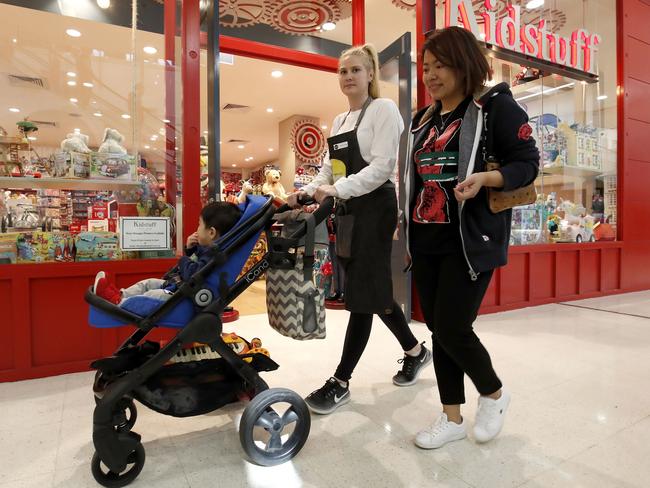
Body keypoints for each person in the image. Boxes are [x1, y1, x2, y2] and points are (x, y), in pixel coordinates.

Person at [403, 26, 539, 449]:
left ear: (464, 64)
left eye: (440, 65)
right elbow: (414, 176)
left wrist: (487, 178)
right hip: (425, 239)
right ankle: (452, 417)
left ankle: (495, 394)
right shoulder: (422, 120)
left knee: (452, 325)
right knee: (439, 331)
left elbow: (528, 164)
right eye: (425, 67)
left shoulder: (494, 108)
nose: (430, 75)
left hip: (470, 239)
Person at [288, 43, 431, 416]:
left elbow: (382, 167)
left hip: (376, 207)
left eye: (355, 70)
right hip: (350, 210)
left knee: (361, 296)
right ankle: (416, 351)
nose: (348, 76)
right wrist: (304, 192)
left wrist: (336, 190)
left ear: (370, 74)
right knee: (374, 290)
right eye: (343, 71)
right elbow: (329, 170)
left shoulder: (383, 111)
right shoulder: (338, 121)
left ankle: (341, 381)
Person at [93, 201, 242, 304]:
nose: (197, 229)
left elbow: (193, 273)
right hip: (178, 287)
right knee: (148, 283)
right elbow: (197, 263)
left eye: (199, 225)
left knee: (152, 296)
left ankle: (121, 303)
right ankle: (120, 295)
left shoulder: (213, 255)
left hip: (183, 295)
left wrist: (183, 259)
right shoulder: (208, 250)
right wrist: (190, 249)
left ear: (211, 233)